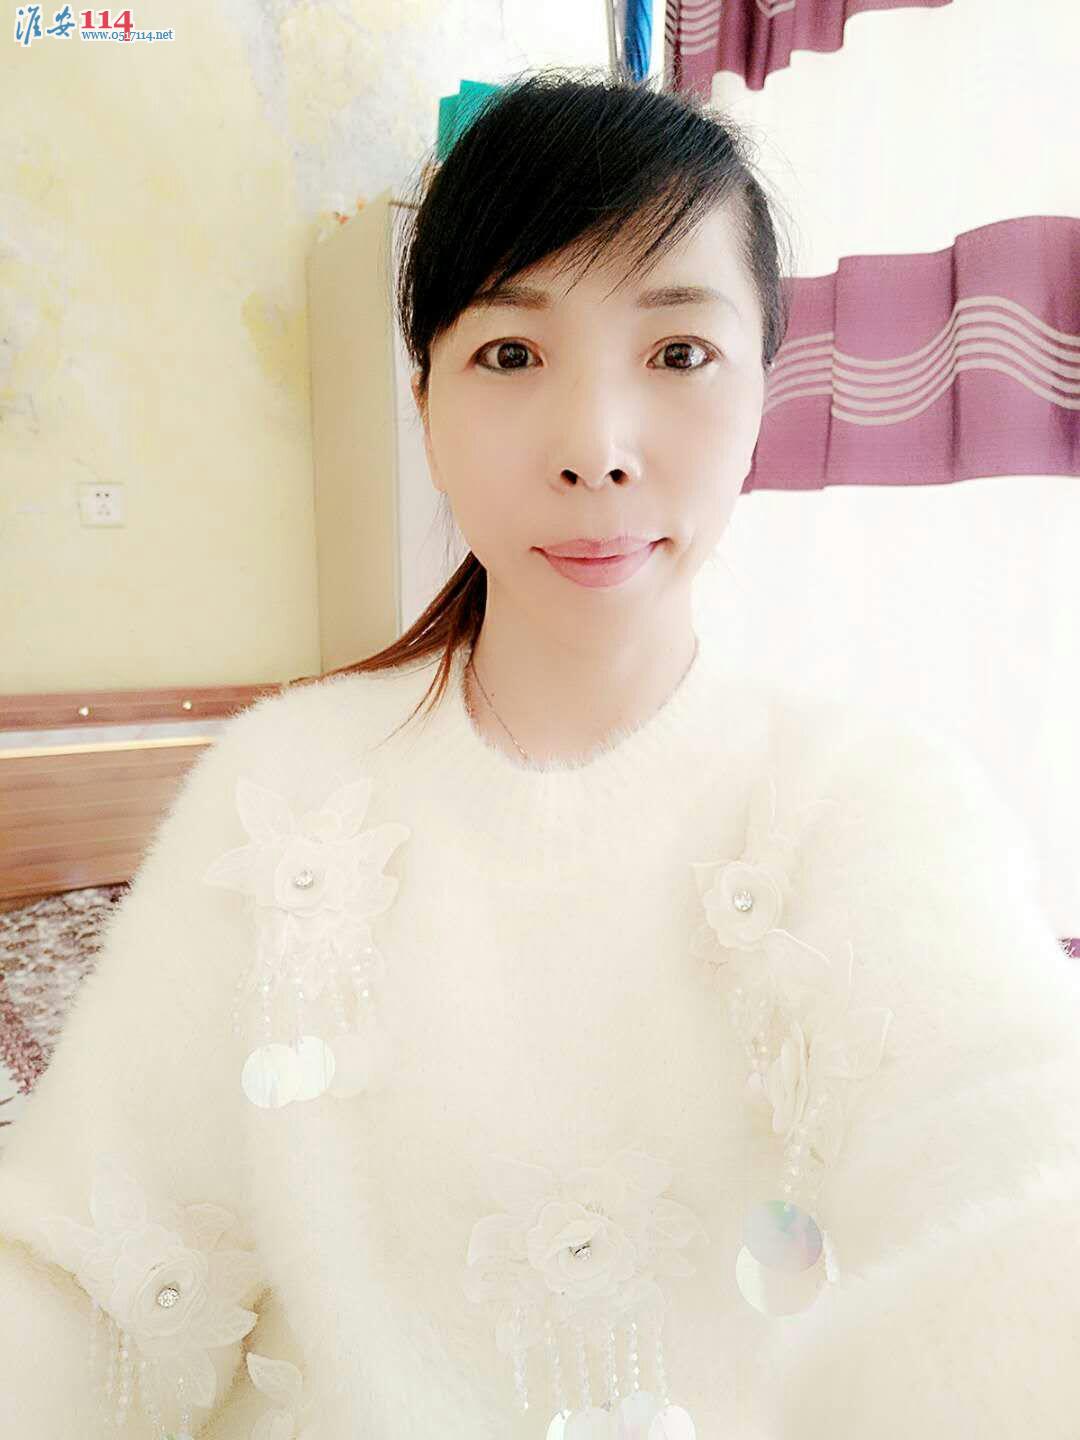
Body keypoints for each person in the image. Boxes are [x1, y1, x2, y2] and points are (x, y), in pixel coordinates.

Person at [4, 66, 1080, 1440]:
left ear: (765, 390)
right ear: (424, 398)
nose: (596, 449)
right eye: (512, 356)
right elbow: (80, 1272)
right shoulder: (284, 793)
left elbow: (1015, 1173)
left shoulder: (868, 803)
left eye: (678, 354)